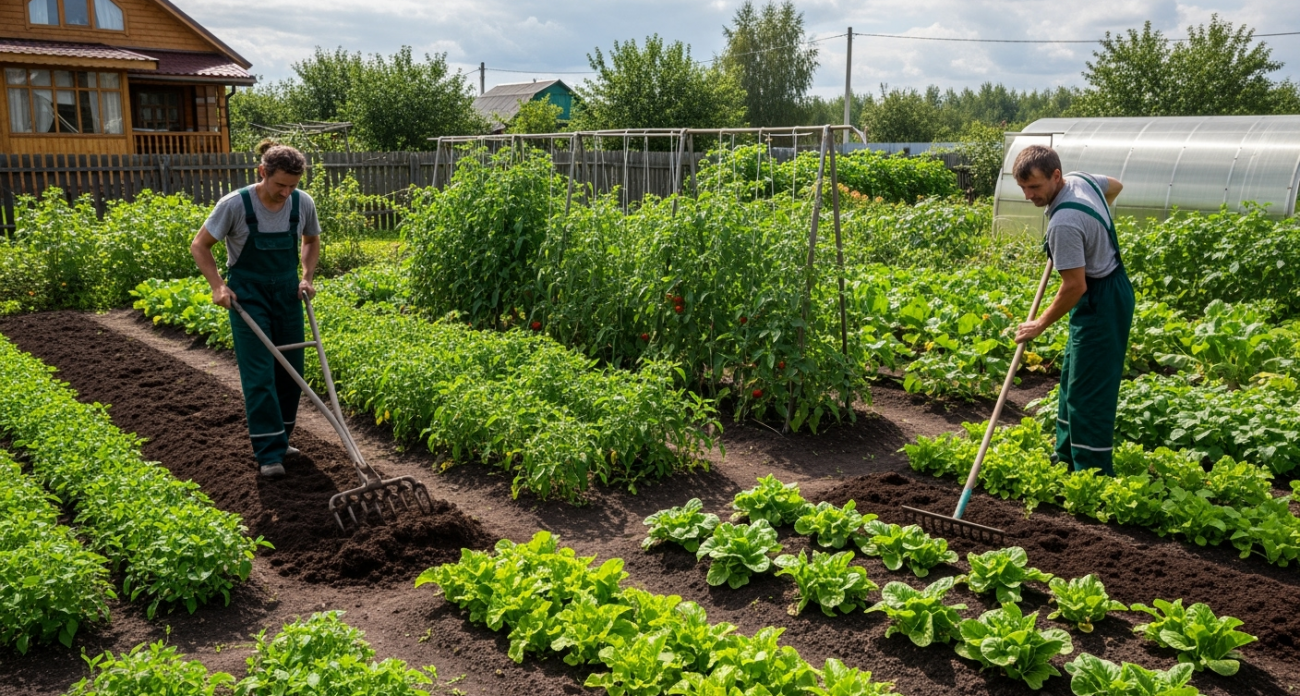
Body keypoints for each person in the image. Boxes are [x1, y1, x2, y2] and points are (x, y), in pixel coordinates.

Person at [190, 141, 321, 477]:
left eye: (293, 186)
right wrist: (218, 286)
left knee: (291, 372)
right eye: (280, 185)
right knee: (260, 374)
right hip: (249, 296)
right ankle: (268, 453)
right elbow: (200, 246)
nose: (286, 192)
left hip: (288, 295)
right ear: (263, 172)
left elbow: (310, 240)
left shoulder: (301, 203)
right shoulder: (235, 204)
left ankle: (282, 439)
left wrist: (306, 277)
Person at [1011, 145, 1133, 476]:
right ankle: (1065, 459)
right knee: (1071, 380)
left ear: (1056, 176)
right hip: (1108, 288)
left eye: (1034, 187)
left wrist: (1039, 324)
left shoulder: (1064, 222)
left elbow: (1075, 286)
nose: (1028, 195)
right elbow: (1115, 185)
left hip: (1101, 298)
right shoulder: (1082, 181)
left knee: (1089, 391)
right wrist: (1092, 232)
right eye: (1022, 188)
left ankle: (1091, 476)